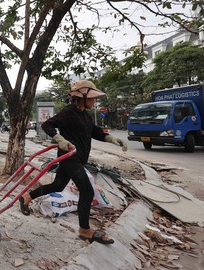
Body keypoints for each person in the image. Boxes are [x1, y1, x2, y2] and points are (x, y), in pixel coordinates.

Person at [20, 80, 127, 245]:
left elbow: (95, 131)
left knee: (58, 185)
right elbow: (48, 125)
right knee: (87, 191)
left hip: (77, 158)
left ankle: (27, 197)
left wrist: (111, 138)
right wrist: (59, 139)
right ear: (82, 98)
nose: (94, 101)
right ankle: (84, 230)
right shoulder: (69, 112)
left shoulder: (85, 115)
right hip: (70, 157)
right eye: (92, 98)